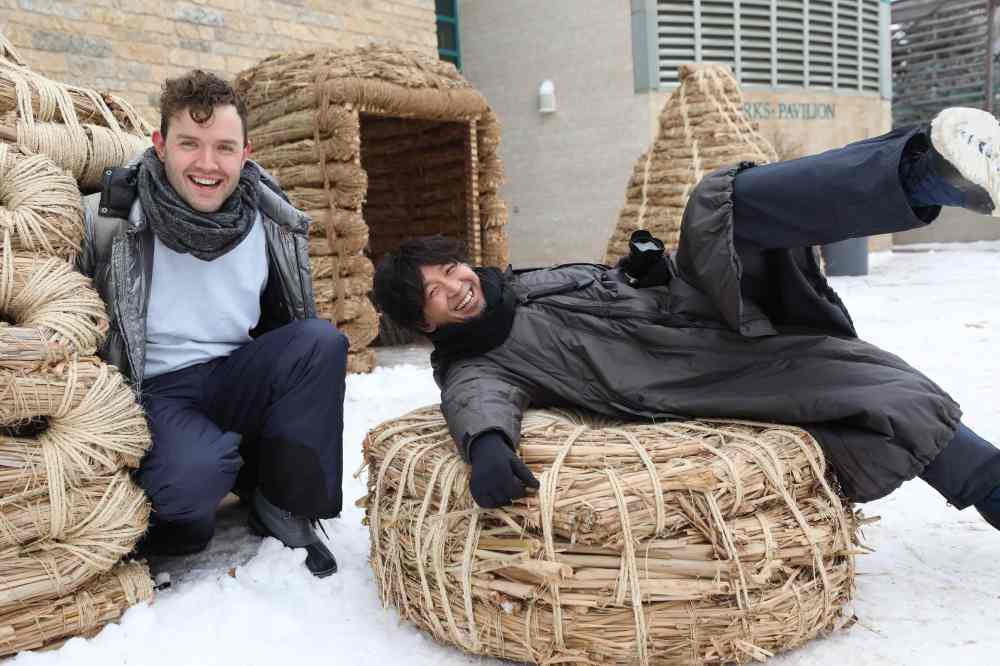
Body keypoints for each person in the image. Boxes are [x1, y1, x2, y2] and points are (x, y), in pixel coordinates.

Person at [373, 106, 1000, 529]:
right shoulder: (476, 358)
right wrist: (485, 445)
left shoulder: (516, 282)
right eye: (433, 292)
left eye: (450, 269)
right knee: (884, 389)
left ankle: (929, 173)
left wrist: (645, 270)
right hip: (697, 367)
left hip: (699, 302)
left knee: (717, 201)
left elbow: (607, 287)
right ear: (426, 323)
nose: (454, 286)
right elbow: (476, 398)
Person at [76, 70, 347, 577]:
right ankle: (186, 503)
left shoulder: (269, 216)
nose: (207, 164)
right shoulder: (111, 219)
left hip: (234, 372)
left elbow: (283, 318)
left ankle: (281, 502)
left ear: (245, 152)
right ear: (160, 146)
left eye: (224, 147)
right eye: (189, 145)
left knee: (319, 344)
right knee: (191, 486)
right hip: (156, 389)